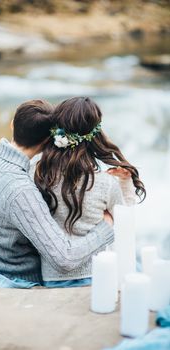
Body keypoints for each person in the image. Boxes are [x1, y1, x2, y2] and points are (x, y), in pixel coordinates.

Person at [0, 99, 114, 285]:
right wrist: (106, 227)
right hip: (12, 279)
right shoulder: (21, 191)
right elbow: (65, 258)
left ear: (12, 125)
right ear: (48, 141)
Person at [33, 96, 146, 287]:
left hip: (50, 276)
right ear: (95, 135)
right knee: (139, 269)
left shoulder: (36, 172)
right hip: (96, 276)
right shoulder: (105, 183)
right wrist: (126, 182)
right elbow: (125, 219)